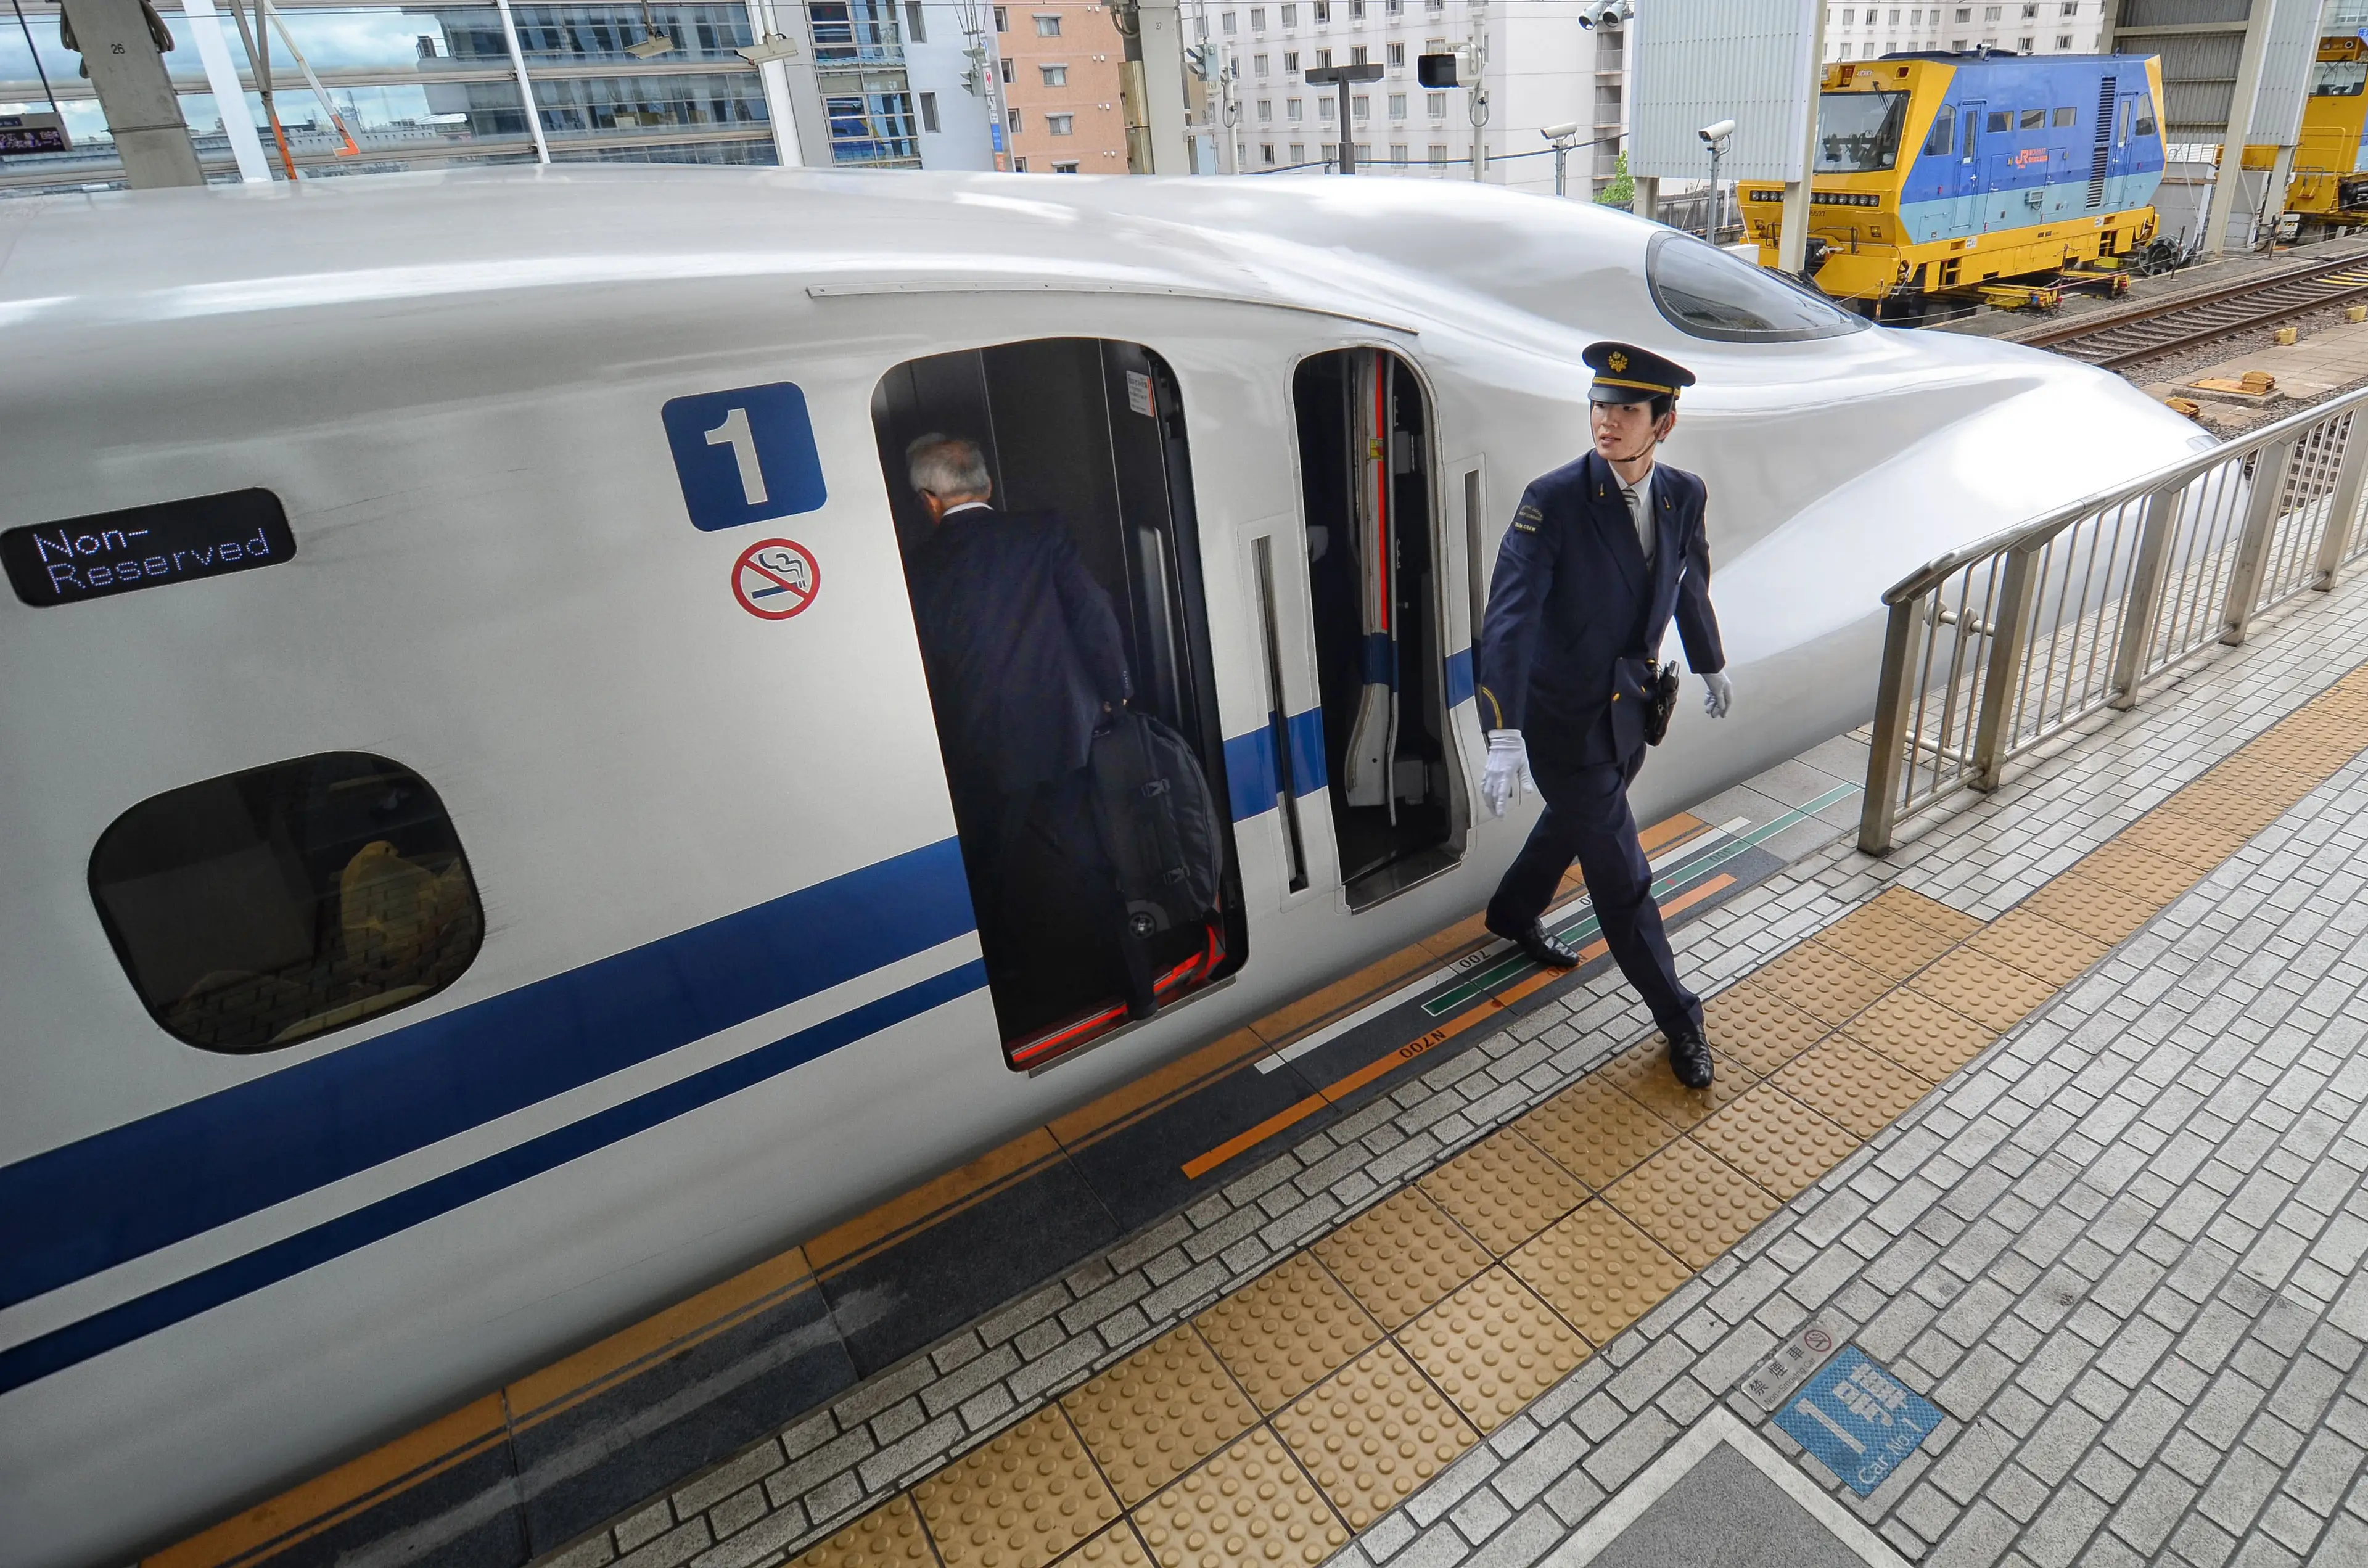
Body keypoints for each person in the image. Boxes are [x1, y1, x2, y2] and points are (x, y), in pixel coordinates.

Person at [1474, 343, 1735, 1089]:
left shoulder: (1684, 492)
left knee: (1574, 822)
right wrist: (1504, 729)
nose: (1606, 421)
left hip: (1629, 714)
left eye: (1626, 409)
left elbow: (1689, 583)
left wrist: (1709, 660)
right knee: (1621, 876)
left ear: (1666, 423)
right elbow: (1511, 619)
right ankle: (1681, 1017)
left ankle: (1512, 911)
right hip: (1562, 722)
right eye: (1599, 405)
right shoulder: (1552, 500)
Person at [900, 434, 1133, 1034]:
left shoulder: (916, 567)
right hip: (1063, 729)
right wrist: (1116, 690)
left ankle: (1014, 998)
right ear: (987, 484)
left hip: (977, 749)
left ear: (929, 500)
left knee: (994, 871)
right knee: (1092, 854)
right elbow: (1093, 613)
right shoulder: (1041, 533)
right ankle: (1128, 982)